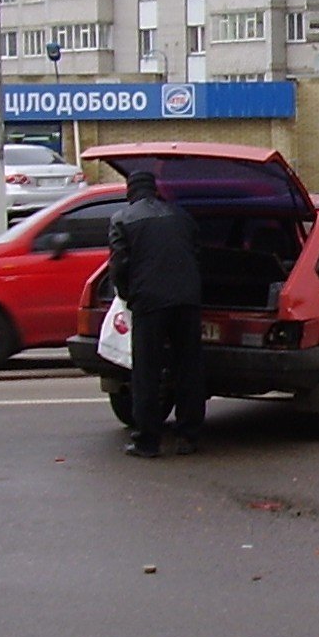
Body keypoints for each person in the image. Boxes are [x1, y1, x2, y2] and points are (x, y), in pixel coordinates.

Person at [108, 167, 205, 458]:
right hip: (187, 300)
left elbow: (119, 266)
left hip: (150, 302)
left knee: (147, 372)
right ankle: (189, 436)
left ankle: (147, 441)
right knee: (189, 368)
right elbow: (196, 254)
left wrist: (128, 296)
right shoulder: (181, 216)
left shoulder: (122, 219)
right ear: (155, 189)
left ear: (130, 191)